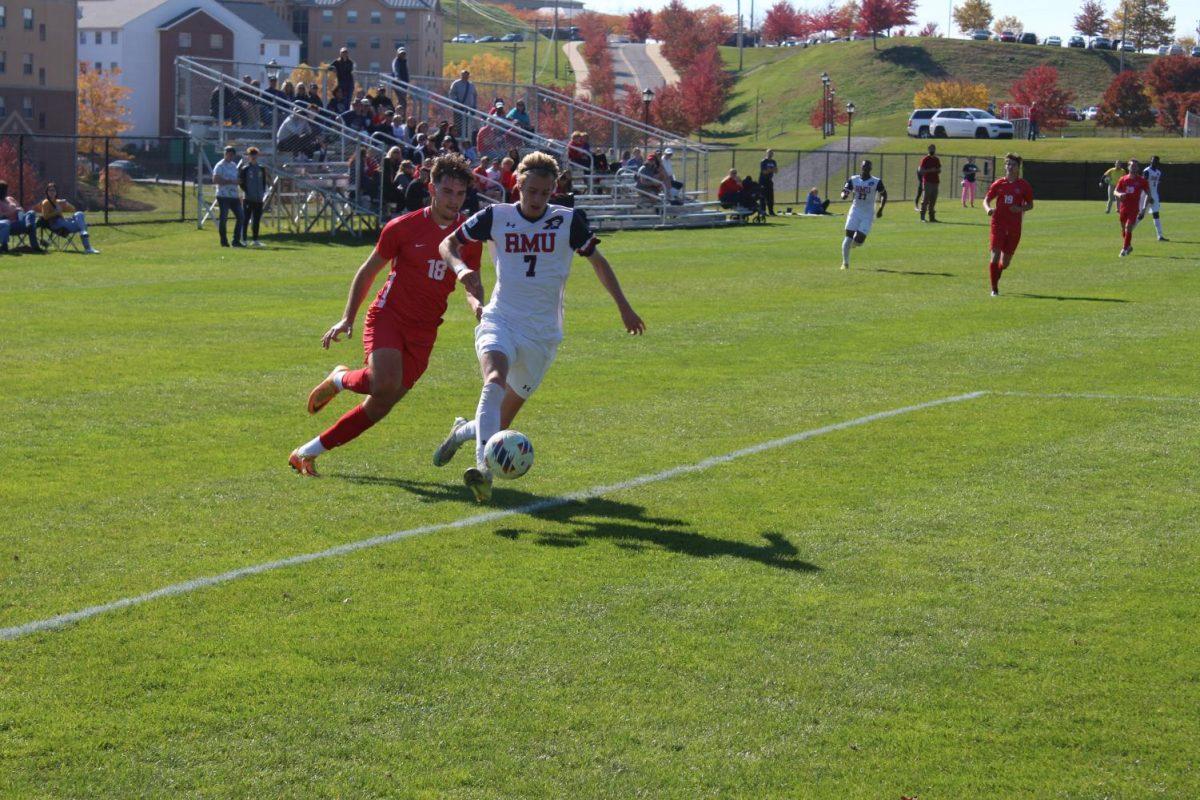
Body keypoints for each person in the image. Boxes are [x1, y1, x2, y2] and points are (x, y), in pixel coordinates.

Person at [435, 151, 645, 502]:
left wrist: (624, 307)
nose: (536, 199)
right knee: (494, 380)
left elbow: (598, 262)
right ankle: (483, 474)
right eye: (530, 191)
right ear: (517, 184)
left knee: (497, 425)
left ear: (553, 191)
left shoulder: (568, 221)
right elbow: (448, 244)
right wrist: (461, 270)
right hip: (500, 318)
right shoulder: (495, 216)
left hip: (542, 335)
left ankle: (461, 433)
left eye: (545, 193)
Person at [288, 154, 484, 476]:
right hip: (388, 315)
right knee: (384, 383)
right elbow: (368, 271)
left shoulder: (468, 236)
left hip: (425, 330)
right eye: (447, 192)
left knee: (381, 404)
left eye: (460, 194)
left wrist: (478, 305)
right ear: (431, 188)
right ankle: (339, 378)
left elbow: (471, 280)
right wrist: (347, 318)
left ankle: (307, 452)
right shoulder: (403, 228)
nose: (454, 201)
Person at [983, 152, 1034, 295]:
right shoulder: (999, 184)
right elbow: (986, 200)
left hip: (1014, 227)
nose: (1010, 167)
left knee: (1005, 263)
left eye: (1013, 165)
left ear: (1018, 167)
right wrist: (988, 209)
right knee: (994, 255)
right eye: (1008, 164)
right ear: (1005, 166)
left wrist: (1020, 208)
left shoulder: (1023, 185)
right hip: (997, 224)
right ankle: (994, 289)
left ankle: (997, 273)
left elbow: (1030, 205)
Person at [838, 159, 887, 270]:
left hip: (868, 213)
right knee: (848, 236)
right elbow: (845, 190)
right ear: (861, 167)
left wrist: (881, 209)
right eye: (864, 167)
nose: (866, 169)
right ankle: (845, 264)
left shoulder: (876, 181)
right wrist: (843, 195)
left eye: (868, 167)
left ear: (871, 169)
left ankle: (850, 247)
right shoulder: (853, 179)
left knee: (859, 240)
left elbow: (884, 194)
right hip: (855, 211)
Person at [35, 183, 100, 254]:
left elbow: (73, 209)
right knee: (83, 225)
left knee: (79, 214)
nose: (52, 192)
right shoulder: (45, 203)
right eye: (50, 190)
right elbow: (45, 216)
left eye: (53, 190)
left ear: (56, 192)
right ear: (47, 192)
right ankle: (87, 246)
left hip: (63, 221)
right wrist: (56, 212)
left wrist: (67, 204)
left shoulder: (58, 201)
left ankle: (83, 233)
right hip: (56, 224)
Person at [1113, 158, 1149, 258]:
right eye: (1132, 165)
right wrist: (1119, 195)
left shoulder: (1142, 181)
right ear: (1128, 167)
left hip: (1134, 208)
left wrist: (1143, 209)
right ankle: (1128, 246)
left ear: (1138, 168)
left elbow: (1148, 195)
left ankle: (1124, 249)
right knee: (1123, 228)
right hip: (1123, 207)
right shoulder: (1123, 179)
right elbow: (1115, 191)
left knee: (1128, 227)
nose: (1133, 167)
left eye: (1135, 166)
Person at [211, 146, 244, 248]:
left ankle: (236, 241)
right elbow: (215, 180)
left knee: (241, 217)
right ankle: (224, 242)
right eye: (227, 154)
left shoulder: (234, 165)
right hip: (223, 196)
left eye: (231, 155)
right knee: (224, 218)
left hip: (234, 196)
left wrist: (238, 182)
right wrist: (230, 181)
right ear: (225, 154)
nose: (229, 156)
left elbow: (235, 178)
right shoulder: (219, 166)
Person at [238, 147, 269, 247]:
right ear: (248, 156)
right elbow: (241, 183)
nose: (253, 156)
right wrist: (247, 192)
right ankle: (244, 239)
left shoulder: (261, 168)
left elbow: (263, 182)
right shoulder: (245, 168)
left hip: (258, 198)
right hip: (248, 198)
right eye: (251, 154)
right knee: (246, 219)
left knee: (256, 219)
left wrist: (262, 192)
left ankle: (255, 240)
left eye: (255, 154)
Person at [0, 182, 42, 253]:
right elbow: (1, 216)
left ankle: (29, 225)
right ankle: (35, 247)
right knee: (32, 226)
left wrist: (20, 210)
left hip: (21, 220)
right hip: (11, 224)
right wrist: (13, 211)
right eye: (2, 190)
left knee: (31, 212)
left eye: (5, 189)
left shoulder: (10, 198)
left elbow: (21, 208)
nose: (5, 192)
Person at [1142, 155, 1166, 241]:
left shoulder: (1158, 172)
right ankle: (1129, 231)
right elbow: (1143, 185)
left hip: (1155, 195)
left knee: (1156, 214)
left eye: (1156, 161)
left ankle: (1160, 236)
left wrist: (1155, 196)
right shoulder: (1146, 171)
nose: (1154, 162)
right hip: (1146, 195)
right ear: (1150, 161)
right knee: (1141, 215)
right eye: (1153, 160)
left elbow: (1155, 185)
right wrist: (1148, 196)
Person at [448, 70, 478, 139]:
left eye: (467, 75)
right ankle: (458, 137)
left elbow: (475, 95)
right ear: (461, 75)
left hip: (468, 108)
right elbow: (451, 94)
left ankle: (466, 137)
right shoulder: (456, 83)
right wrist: (457, 103)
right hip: (458, 108)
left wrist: (474, 106)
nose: (465, 76)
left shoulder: (471, 85)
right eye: (464, 75)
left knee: (467, 125)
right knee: (458, 124)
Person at [917, 144, 940, 222]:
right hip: (927, 182)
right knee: (925, 199)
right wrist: (930, 170)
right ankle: (922, 217)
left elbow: (939, 169)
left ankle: (932, 217)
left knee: (933, 200)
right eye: (931, 149)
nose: (932, 150)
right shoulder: (925, 159)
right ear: (928, 150)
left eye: (933, 148)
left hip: (935, 182)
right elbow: (921, 171)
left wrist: (937, 170)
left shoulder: (936, 159)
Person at [759, 148, 778, 215]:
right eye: (769, 153)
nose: (770, 154)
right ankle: (763, 211)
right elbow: (764, 172)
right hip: (762, 181)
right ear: (766, 153)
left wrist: (770, 169)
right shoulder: (763, 161)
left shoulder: (773, 162)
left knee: (770, 197)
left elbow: (776, 171)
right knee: (763, 197)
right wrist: (771, 169)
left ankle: (771, 211)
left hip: (769, 181)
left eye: (771, 153)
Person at [391, 48, 409, 114]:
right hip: (398, 84)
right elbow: (395, 70)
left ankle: (401, 116)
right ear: (398, 54)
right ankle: (399, 116)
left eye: (404, 54)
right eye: (401, 54)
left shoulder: (404, 61)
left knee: (402, 102)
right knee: (402, 102)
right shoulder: (396, 61)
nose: (402, 55)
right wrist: (397, 77)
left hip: (404, 85)